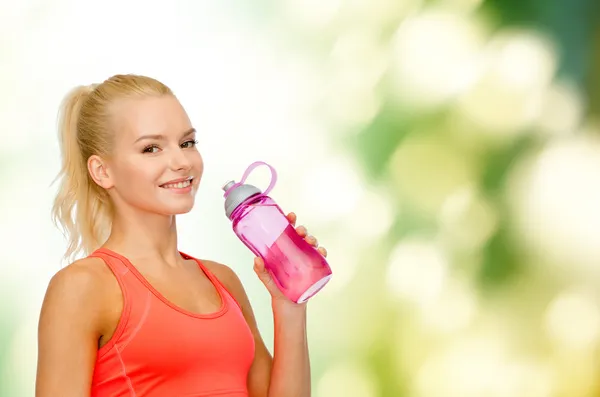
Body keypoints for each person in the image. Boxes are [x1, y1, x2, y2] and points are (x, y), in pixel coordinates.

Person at [35, 74, 327, 397]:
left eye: (187, 143)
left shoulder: (222, 281)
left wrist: (289, 307)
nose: (181, 161)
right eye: (151, 148)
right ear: (102, 171)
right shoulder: (83, 287)